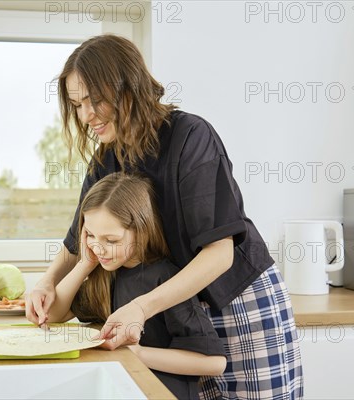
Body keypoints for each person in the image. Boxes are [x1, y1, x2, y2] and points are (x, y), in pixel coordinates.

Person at [26, 34, 303, 399]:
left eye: (95, 100)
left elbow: (220, 253)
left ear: (128, 88)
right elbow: (80, 241)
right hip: (173, 311)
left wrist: (141, 306)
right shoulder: (104, 159)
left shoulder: (191, 137)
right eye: (77, 105)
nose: (86, 115)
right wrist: (46, 282)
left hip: (238, 301)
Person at [45, 172, 227, 399]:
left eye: (111, 240)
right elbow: (52, 315)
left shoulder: (165, 278)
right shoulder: (103, 275)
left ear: (141, 231)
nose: (98, 248)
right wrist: (84, 263)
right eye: (90, 235)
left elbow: (214, 363)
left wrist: (138, 353)